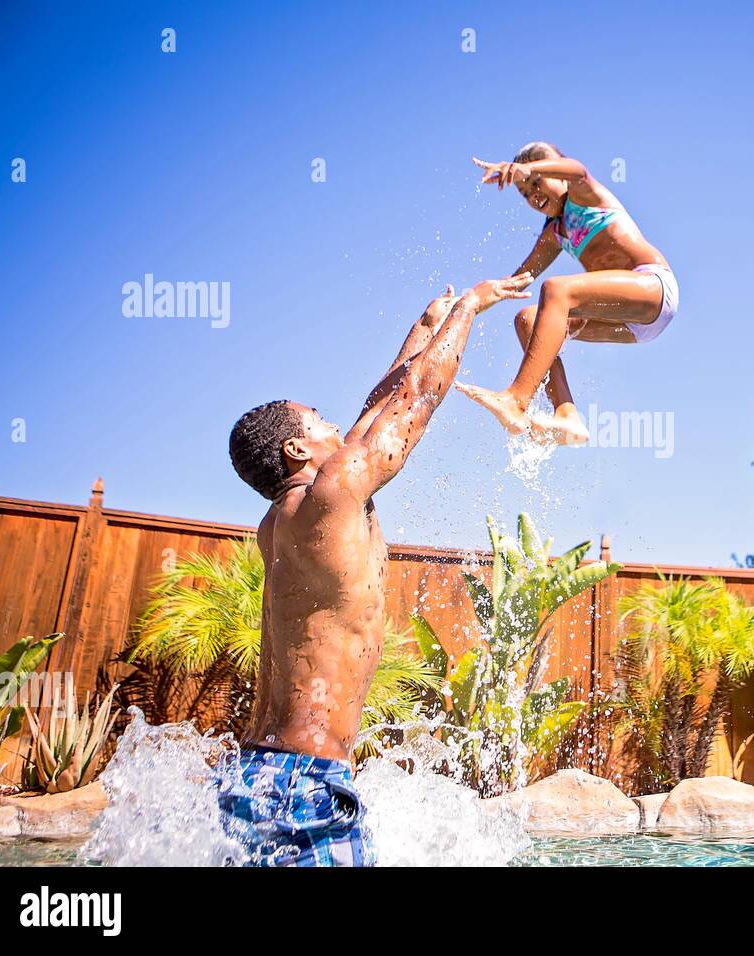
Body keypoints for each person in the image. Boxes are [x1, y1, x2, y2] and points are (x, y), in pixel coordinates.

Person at [220, 273, 531, 866]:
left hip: (260, 773)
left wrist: (424, 325)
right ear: (297, 449)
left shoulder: (288, 516)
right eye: (320, 421)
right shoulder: (333, 495)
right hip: (303, 787)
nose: (338, 427)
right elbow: (413, 402)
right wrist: (469, 309)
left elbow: (373, 414)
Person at [457, 142, 678, 445]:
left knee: (557, 290)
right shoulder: (554, 233)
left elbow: (578, 170)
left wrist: (528, 168)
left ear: (556, 171)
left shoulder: (584, 194)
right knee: (527, 319)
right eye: (524, 192)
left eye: (537, 182)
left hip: (654, 288)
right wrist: (472, 299)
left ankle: (516, 398)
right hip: (629, 325)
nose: (532, 193)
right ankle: (567, 414)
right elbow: (521, 279)